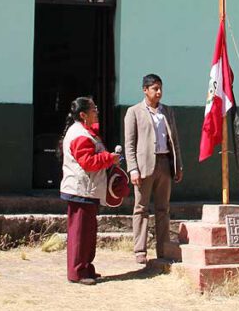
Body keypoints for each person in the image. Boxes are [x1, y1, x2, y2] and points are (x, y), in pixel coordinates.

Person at [59, 96, 121, 285]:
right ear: (83, 115)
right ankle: (77, 272)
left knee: (88, 234)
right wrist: (109, 159)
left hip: (88, 190)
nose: (97, 112)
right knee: (80, 234)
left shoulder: (87, 133)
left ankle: (86, 268)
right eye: (93, 109)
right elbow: (88, 162)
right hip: (81, 191)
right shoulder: (80, 135)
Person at [124, 73, 183, 265]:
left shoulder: (167, 111)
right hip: (144, 166)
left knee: (163, 208)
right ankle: (140, 250)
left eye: (160, 88)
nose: (159, 92)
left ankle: (163, 249)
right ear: (145, 90)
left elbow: (174, 140)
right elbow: (129, 144)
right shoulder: (134, 112)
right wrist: (133, 169)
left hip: (165, 163)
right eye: (155, 88)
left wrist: (178, 165)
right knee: (141, 208)